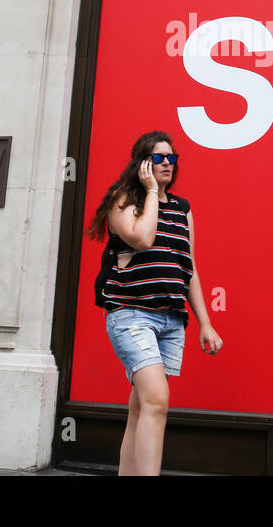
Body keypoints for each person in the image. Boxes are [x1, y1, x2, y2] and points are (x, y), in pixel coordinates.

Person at [86, 130, 223, 475]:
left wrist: (205, 322)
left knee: (141, 407)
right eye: (159, 158)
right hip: (132, 316)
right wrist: (149, 192)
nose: (167, 164)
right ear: (142, 164)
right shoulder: (124, 201)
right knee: (158, 400)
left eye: (171, 158)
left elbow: (187, 268)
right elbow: (143, 238)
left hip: (170, 321)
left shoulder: (182, 209)